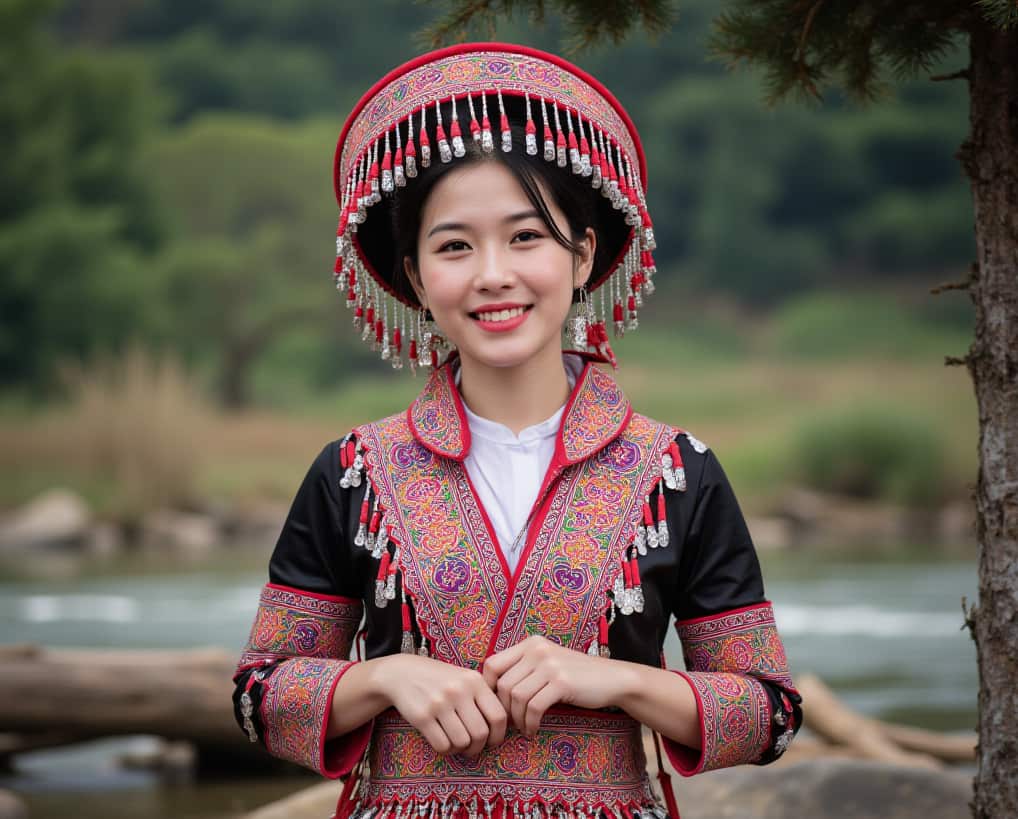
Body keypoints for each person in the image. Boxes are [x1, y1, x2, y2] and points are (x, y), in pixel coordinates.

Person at [231, 42, 803, 819]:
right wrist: (382, 678)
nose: (493, 273)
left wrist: (621, 680)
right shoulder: (353, 470)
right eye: (455, 245)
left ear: (583, 255)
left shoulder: (677, 469)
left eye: (526, 237)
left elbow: (769, 711)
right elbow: (260, 693)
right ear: (415, 277)